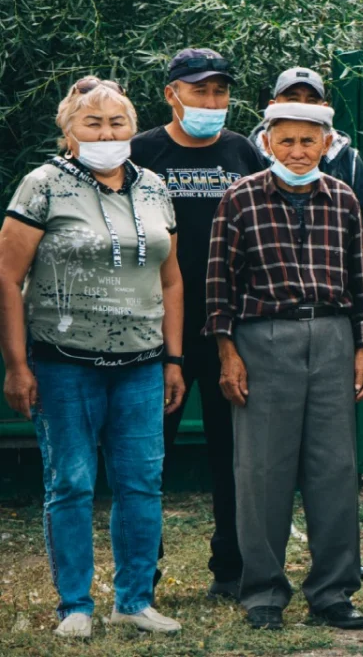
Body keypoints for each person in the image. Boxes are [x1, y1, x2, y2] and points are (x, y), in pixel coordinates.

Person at [0, 78, 186, 637]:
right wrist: (17, 364)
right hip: (63, 363)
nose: (107, 133)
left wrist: (174, 358)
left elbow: (172, 281)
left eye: (117, 123)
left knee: (141, 483)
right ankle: (75, 605)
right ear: (69, 130)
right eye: (93, 123)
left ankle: (133, 599)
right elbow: (7, 278)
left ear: (134, 128)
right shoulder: (43, 186)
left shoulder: (154, 186)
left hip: (142, 364)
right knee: (72, 482)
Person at [204, 102, 363, 631]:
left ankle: (333, 591)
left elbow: (359, 281)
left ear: (327, 145)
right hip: (263, 339)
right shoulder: (238, 199)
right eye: (286, 142)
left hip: (332, 335)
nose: (298, 152)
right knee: (262, 470)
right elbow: (219, 286)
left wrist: (362, 346)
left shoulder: (344, 198)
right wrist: (227, 351)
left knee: (336, 469)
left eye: (309, 142)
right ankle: (262, 593)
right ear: (266, 144)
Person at [129, 47, 264, 599]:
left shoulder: (243, 152)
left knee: (232, 454)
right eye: (199, 90)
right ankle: (144, 571)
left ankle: (230, 569)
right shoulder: (141, 152)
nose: (212, 102)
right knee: (146, 455)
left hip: (231, 330)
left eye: (220, 91)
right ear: (172, 94)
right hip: (155, 330)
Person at [250, 67, 363, 264]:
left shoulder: (347, 159)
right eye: (292, 98)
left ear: (324, 106)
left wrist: (352, 272)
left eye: (311, 101)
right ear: (273, 105)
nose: (302, 107)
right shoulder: (248, 152)